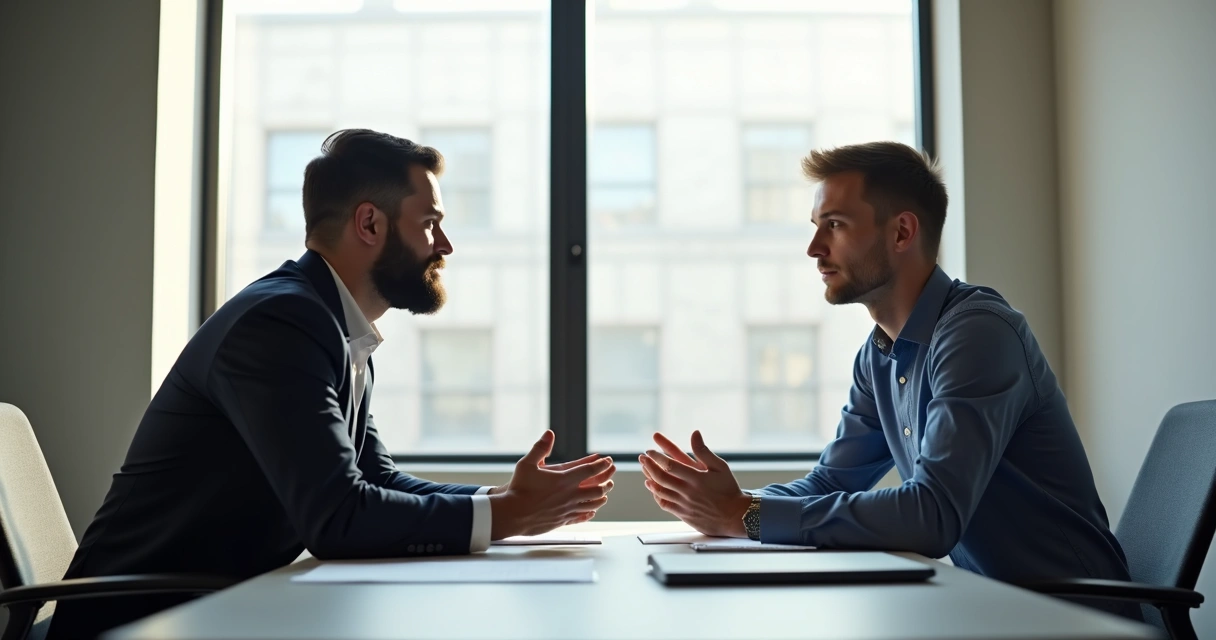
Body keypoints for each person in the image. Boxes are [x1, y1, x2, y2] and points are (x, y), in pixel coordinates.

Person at [47, 129, 616, 639]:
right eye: (430, 223)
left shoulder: (332, 324)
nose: (444, 246)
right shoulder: (280, 324)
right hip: (143, 621)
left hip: (220, 607)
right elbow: (339, 518)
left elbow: (373, 477)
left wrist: (500, 502)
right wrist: (511, 517)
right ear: (370, 223)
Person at [639, 141, 1137, 617]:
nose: (814, 248)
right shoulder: (879, 355)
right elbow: (831, 481)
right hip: (989, 606)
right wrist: (723, 505)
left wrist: (745, 515)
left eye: (834, 225)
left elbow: (932, 515)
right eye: (816, 226)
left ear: (901, 233)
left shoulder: (978, 334)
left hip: (1073, 616)